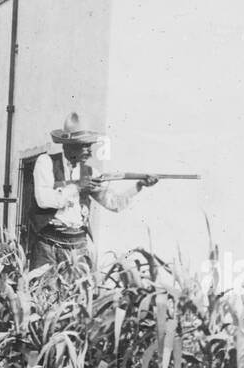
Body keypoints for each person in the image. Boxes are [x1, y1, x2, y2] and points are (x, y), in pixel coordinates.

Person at [23, 112, 157, 271]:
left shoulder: (91, 172)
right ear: (69, 145)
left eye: (90, 146)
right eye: (84, 146)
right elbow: (44, 200)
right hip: (48, 247)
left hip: (78, 248)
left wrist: (139, 186)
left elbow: (114, 203)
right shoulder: (45, 162)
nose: (90, 151)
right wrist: (78, 186)